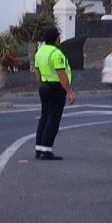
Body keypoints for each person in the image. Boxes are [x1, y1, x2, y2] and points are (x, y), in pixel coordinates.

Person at [33, 26, 75, 160]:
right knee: (53, 119)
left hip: (44, 86)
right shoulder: (56, 54)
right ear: (57, 39)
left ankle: (39, 149)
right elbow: (61, 74)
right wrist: (69, 91)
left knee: (44, 117)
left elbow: (37, 72)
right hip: (56, 88)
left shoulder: (39, 52)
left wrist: (41, 85)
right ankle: (46, 150)